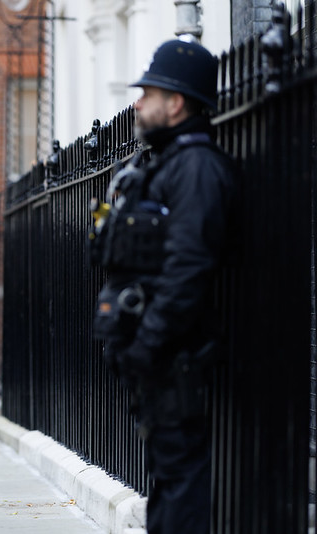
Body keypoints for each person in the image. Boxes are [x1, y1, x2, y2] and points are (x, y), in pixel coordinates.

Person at [90, 40, 235, 534]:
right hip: (155, 357)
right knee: (165, 474)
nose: (137, 103)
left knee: (180, 476)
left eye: (147, 92)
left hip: (175, 354)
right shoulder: (164, 165)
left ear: (175, 103)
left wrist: (147, 343)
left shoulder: (197, 168)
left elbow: (189, 268)